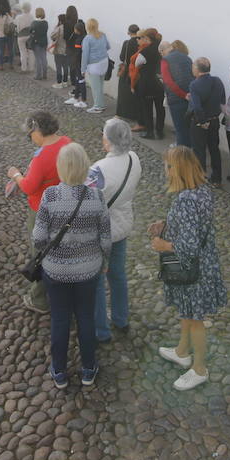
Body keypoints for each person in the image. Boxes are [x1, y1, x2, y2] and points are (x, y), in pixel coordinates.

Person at [33, 143, 111, 389]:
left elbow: (38, 238)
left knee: (60, 319)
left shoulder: (50, 196)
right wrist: (104, 261)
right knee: (86, 318)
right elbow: (106, 238)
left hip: (56, 271)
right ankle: (88, 368)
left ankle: (59, 371)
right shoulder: (97, 196)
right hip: (88, 270)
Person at [151, 146, 228, 391]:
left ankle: (199, 369)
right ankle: (182, 351)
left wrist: (164, 244)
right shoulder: (202, 191)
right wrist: (167, 223)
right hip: (207, 263)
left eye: (169, 166)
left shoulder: (185, 200)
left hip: (193, 269)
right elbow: (195, 225)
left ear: (178, 169)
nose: (166, 170)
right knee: (187, 310)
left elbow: (189, 246)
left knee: (195, 319)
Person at [5, 111, 73, 314]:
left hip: (42, 211)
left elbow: (28, 186)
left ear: (37, 130)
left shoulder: (42, 157)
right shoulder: (67, 143)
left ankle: (39, 298)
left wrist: (15, 175)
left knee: (40, 253)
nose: (29, 137)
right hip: (65, 206)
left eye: (30, 133)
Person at [90, 118, 141, 342]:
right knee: (118, 274)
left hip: (102, 231)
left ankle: (100, 330)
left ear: (109, 141)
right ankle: (121, 317)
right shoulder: (133, 158)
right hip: (122, 224)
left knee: (97, 281)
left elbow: (87, 201)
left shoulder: (99, 168)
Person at [188, 57, 226, 186]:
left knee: (199, 150)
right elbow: (222, 101)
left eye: (193, 66)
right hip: (214, 120)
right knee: (214, 149)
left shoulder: (195, 84)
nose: (192, 68)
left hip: (200, 122)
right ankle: (217, 179)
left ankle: (200, 178)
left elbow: (197, 107)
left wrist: (202, 121)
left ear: (198, 70)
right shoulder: (218, 81)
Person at [131, 29, 165, 139]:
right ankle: (160, 131)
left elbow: (137, 64)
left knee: (147, 108)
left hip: (147, 83)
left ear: (148, 39)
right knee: (160, 108)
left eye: (144, 38)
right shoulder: (161, 49)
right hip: (159, 83)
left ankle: (150, 131)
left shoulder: (145, 52)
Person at [162, 40, 194, 147]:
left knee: (180, 128)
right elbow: (193, 76)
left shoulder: (165, 60)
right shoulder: (187, 58)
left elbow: (168, 81)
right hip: (190, 96)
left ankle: (182, 156)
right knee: (188, 127)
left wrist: (183, 94)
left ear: (163, 51)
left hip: (177, 98)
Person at [81, 18, 112, 114]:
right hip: (104, 62)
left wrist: (83, 69)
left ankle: (98, 106)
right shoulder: (103, 35)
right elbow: (108, 47)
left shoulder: (87, 38)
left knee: (95, 87)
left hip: (94, 65)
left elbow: (85, 54)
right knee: (100, 85)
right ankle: (101, 104)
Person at [115, 25, 142, 125]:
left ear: (129, 32)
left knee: (123, 92)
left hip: (128, 70)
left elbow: (122, 58)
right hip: (139, 70)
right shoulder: (141, 43)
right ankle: (134, 114)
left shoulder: (127, 43)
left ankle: (123, 113)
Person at [0, 0, 15, 70]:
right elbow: (12, 22)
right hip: (8, 34)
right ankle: (11, 64)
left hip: (0, 35)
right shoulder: (7, 15)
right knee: (10, 49)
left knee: (1, 50)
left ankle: (1, 65)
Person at [29, 8, 49, 81]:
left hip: (36, 42)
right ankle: (45, 74)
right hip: (44, 42)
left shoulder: (34, 23)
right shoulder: (45, 23)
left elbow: (30, 31)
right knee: (44, 58)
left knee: (38, 59)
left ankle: (38, 75)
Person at [14, 3, 34, 72]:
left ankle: (24, 68)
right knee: (31, 52)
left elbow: (16, 27)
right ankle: (31, 68)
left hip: (21, 35)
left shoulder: (18, 17)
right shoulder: (31, 16)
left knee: (23, 52)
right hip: (29, 35)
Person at [50, 13, 68, 85]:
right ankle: (65, 81)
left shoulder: (59, 28)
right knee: (66, 66)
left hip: (58, 50)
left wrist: (56, 27)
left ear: (60, 20)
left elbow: (52, 36)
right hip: (67, 50)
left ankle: (59, 82)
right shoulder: (69, 27)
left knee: (59, 66)